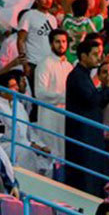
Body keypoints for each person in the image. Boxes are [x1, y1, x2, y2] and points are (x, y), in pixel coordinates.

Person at [65, 37, 109, 195]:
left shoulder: (84, 75)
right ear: (83, 56)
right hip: (82, 137)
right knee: (86, 182)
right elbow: (92, 100)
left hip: (91, 135)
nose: (99, 58)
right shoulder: (77, 76)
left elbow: (97, 102)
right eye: (94, 54)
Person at [34, 29, 73, 166]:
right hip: (48, 114)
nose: (61, 45)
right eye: (57, 42)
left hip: (64, 116)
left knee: (63, 153)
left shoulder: (69, 66)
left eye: (63, 41)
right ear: (51, 44)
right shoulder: (45, 64)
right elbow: (40, 93)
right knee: (49, 153)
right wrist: (64, 98)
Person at [17, 0, 58, 68]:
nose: (48, 0)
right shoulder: (28, 15)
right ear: (36, 0)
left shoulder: (53, 19)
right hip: (32, 63)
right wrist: (25, 64)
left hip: (48, 65)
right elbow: (20, 40)